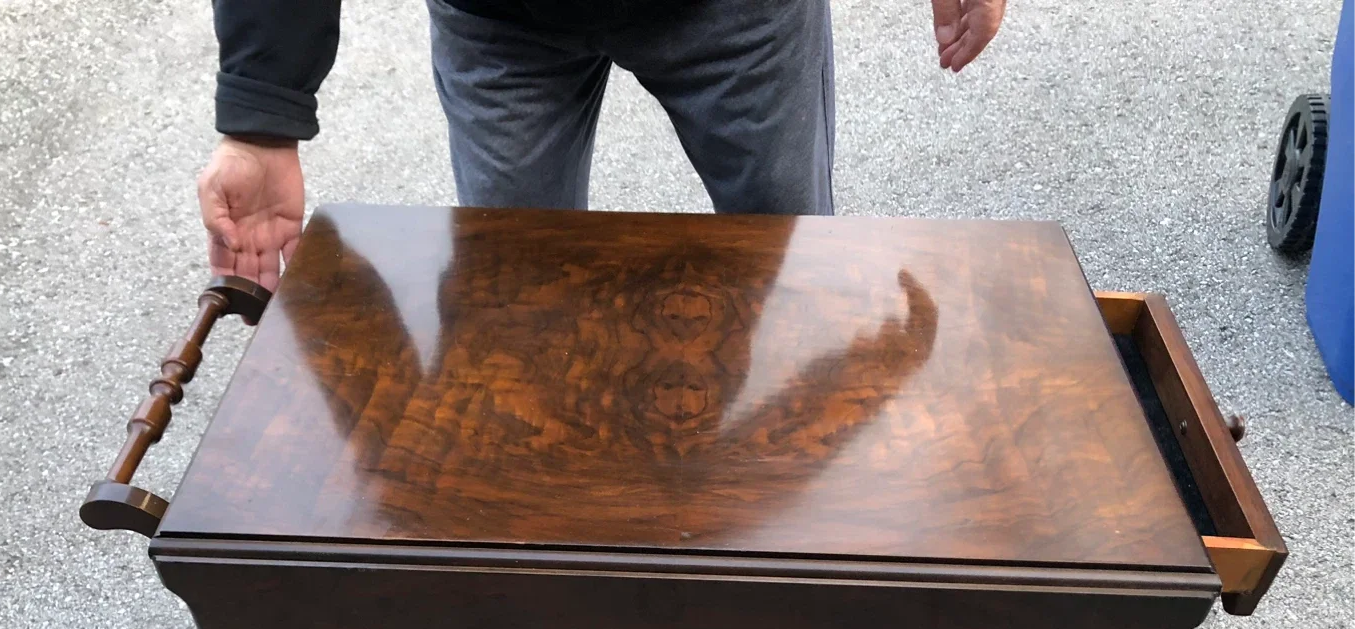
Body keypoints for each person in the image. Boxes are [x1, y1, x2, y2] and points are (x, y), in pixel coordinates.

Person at [198, 0, 1008, 291]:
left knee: (802, 279)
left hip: (737, 17)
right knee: (514, 305)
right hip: (501, 21)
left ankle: (786, 579)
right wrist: (261, 112)